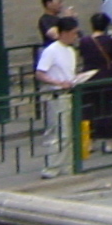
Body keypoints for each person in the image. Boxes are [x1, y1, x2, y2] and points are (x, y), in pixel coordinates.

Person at [34, 16, 86, 178]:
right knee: (58, 132)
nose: (75, 37)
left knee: (69, 132)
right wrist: (57, 82)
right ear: (64, 33)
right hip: (57, 94)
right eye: (73, 33)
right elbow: (40, 73)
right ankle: (52, 167)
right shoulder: (51, 50)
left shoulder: (70, 51)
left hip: (69, 92)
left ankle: (66, 165)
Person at [79, 12, 112, 155]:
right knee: (107, 110)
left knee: (89, 110)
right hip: (107, 79)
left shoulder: (84, 41)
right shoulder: (110, 41)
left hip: (88, 79)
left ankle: (90, 142)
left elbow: (82, 58)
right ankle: (108, 143)